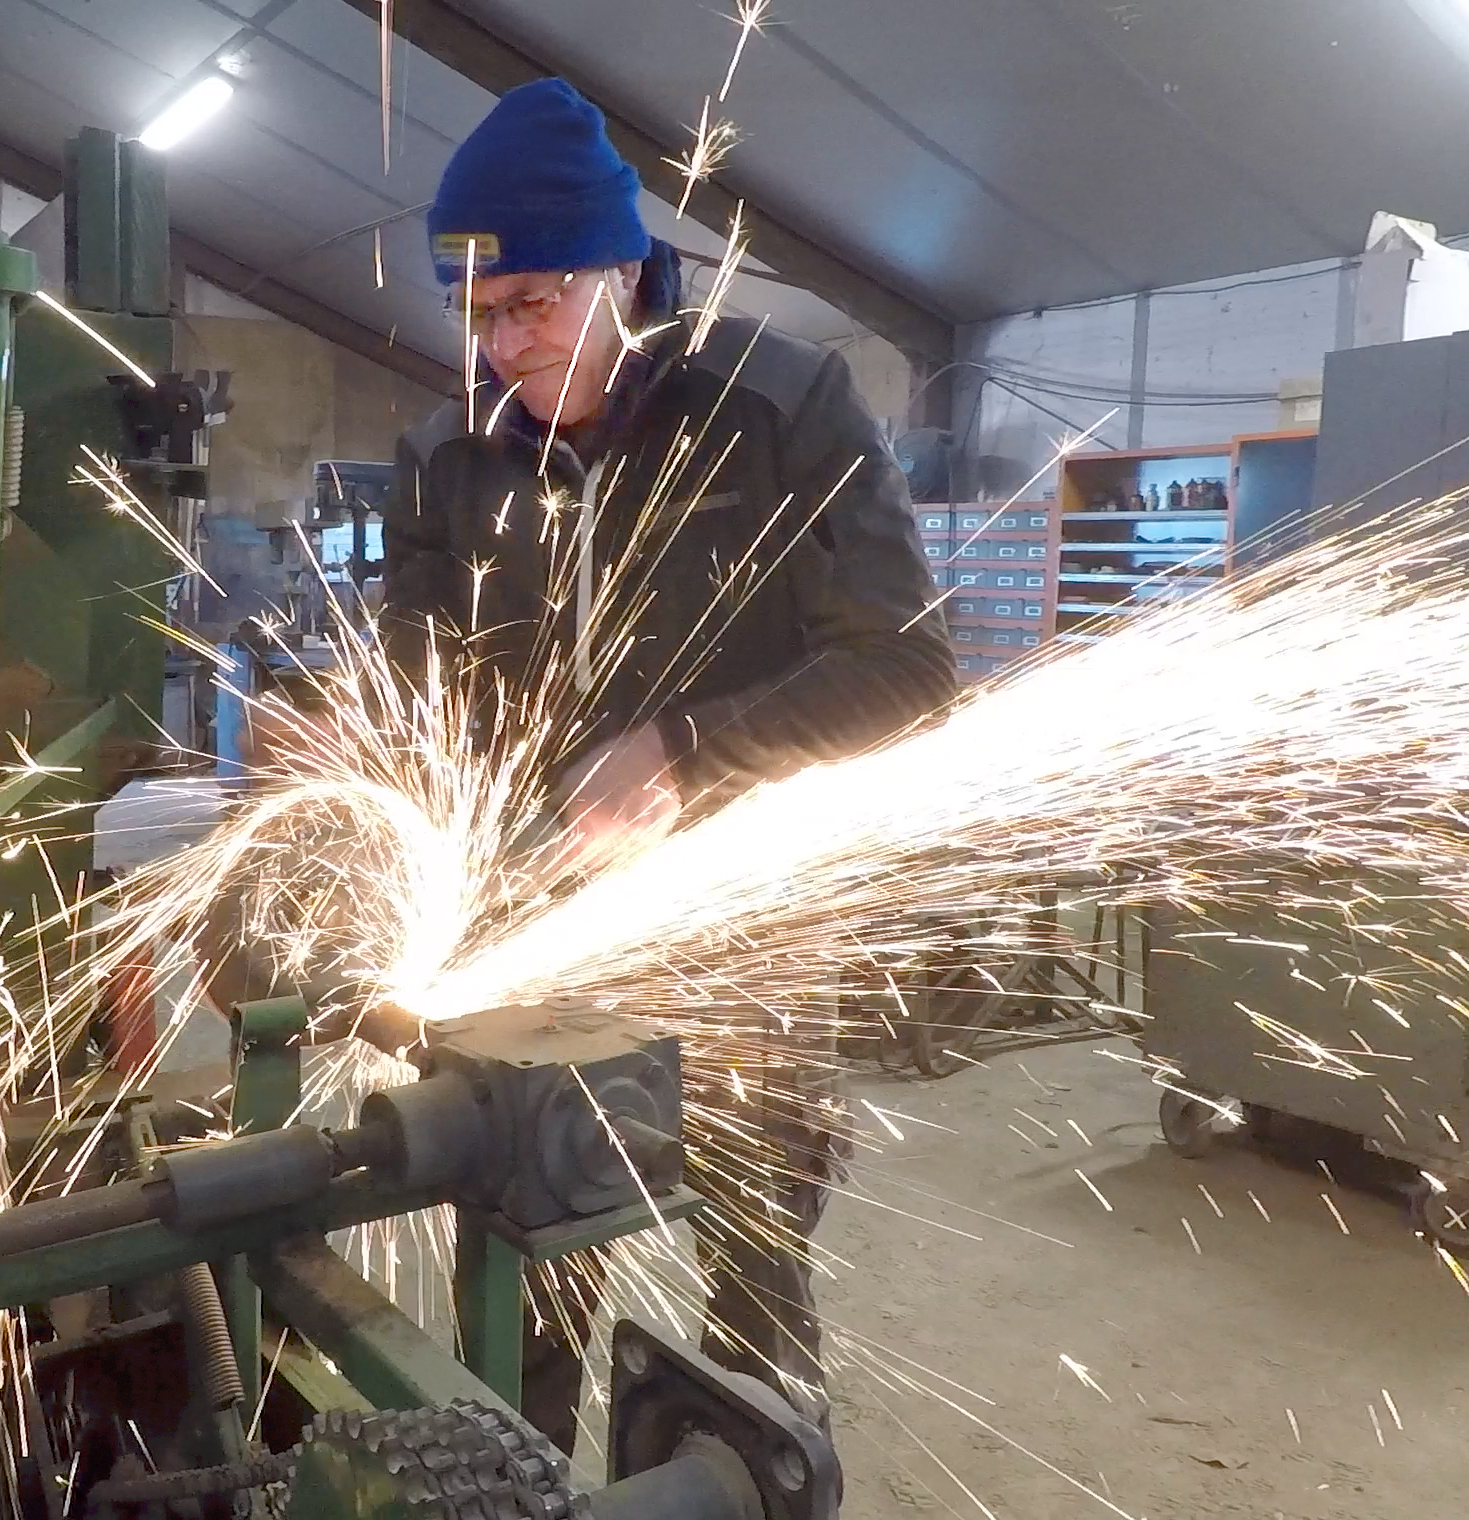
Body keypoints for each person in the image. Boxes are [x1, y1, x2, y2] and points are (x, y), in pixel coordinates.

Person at [381, 78, 958, 1446]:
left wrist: (689, 751)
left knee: (752, 1280)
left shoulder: (781, 409)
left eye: (530, 304)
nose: (502, 345)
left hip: (746, 938)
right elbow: (417, 682)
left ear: (620, 271)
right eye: (475, 314)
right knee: (530, 1270)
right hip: (533, 947)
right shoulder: (449, 459)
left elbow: (912, 676)